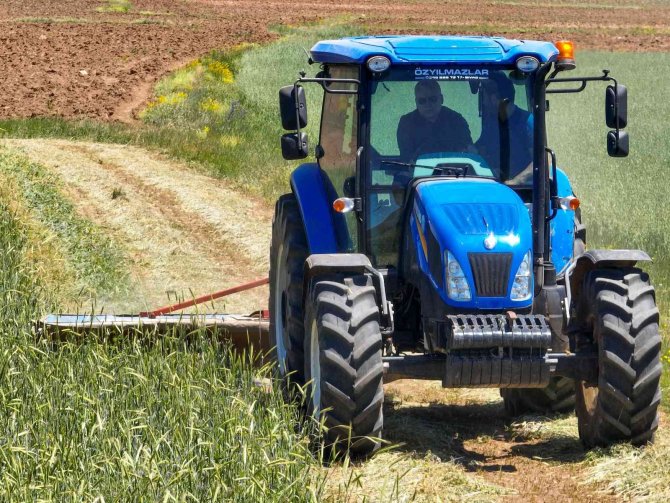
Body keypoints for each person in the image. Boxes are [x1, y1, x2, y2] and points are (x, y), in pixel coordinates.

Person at [475, 73, 533, 183]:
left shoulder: (527, 122)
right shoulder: (491, 122)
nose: (483, 102)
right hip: (495, 183)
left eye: (484, 97)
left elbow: (542, 160)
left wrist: (516, 181)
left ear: (494, 98)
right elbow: (481, 148)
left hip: (523, 190)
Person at [396, 79, 474, 161]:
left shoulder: (456, 120)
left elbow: (468, 151)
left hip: (454, 171)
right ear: (416, 103)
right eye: (422, 101)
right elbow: (406, 158)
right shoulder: (407, 124)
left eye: (432, 99)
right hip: (419, 172)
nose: (428, 104)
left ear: (441, 99)